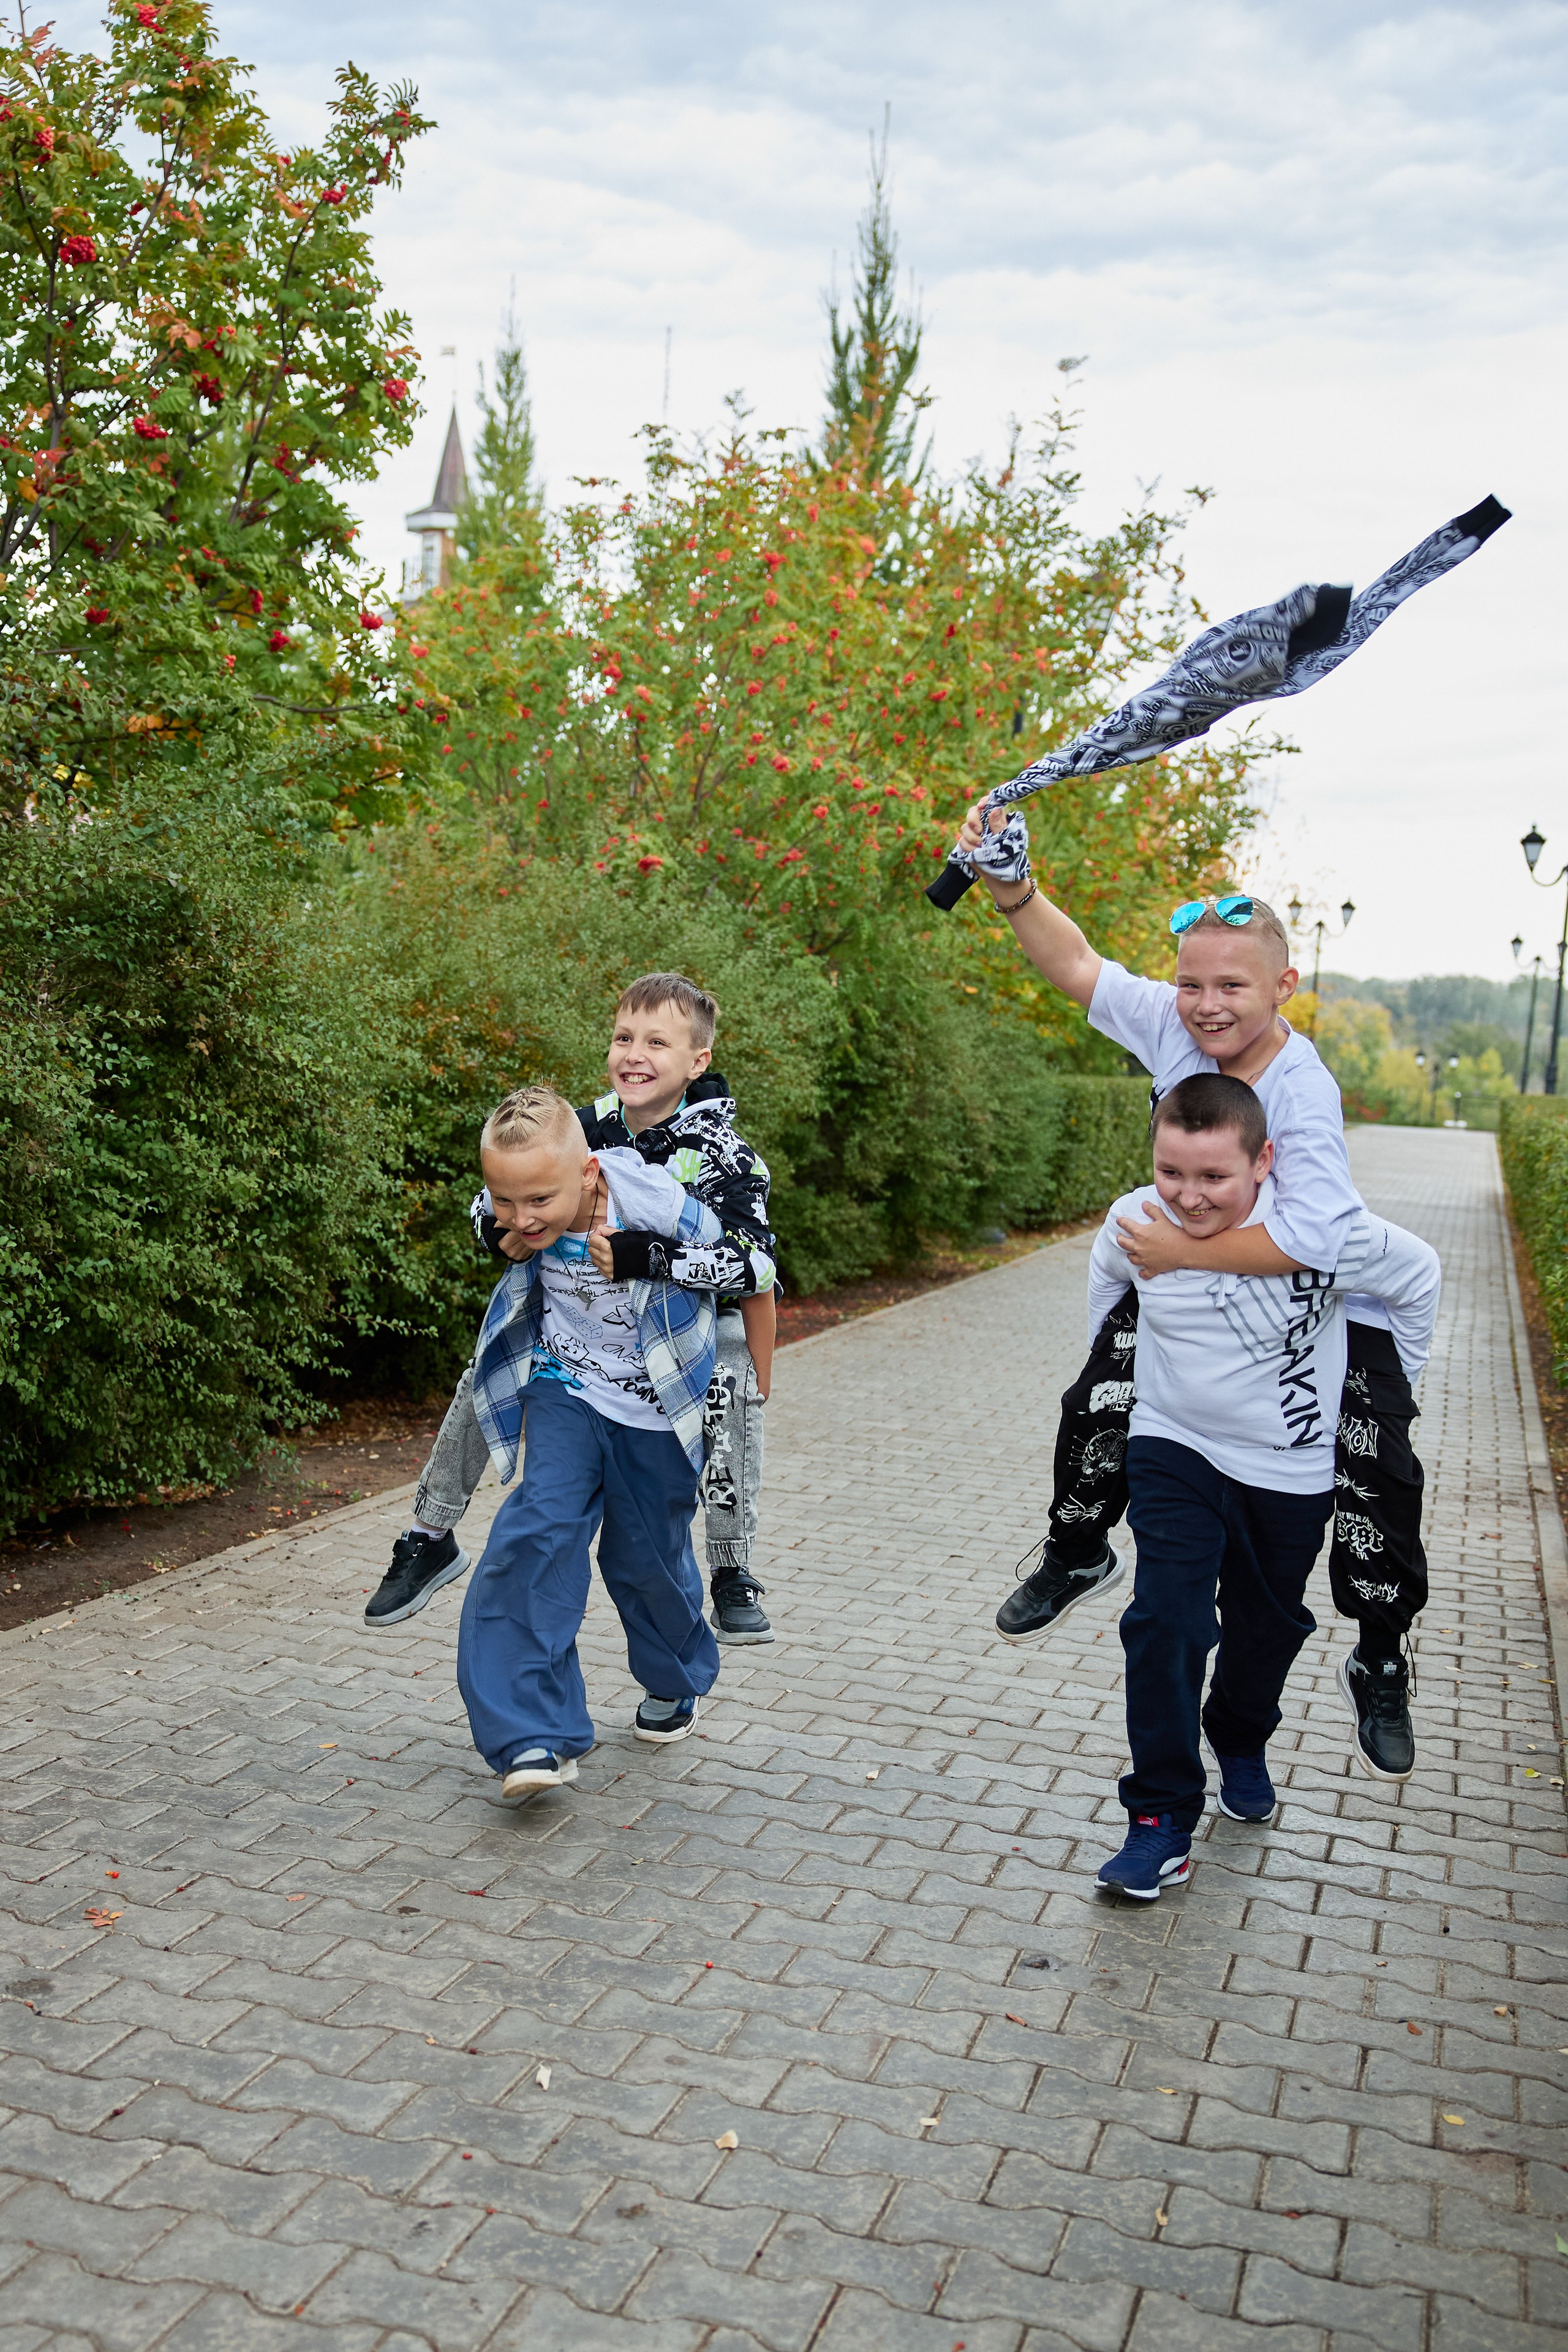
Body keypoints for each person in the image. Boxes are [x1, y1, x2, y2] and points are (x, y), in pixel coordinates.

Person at [958, 801, 1428, 1783]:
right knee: (1098, 1390)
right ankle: (1080, 1545)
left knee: (1380, 1482)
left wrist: (1178, 1250)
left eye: (1232, 987)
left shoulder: (1302, 1093)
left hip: (1347, 1298)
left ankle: (1380, 1651)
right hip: (1201, 1281)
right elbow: (1080, 968)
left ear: (1284, 985)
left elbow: (1319, 1239)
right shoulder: (1180, 1026)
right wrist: (1013, 889)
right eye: (1191, 985)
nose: (1207, 1005)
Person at [1085, 1074, 1440, 1899]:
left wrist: (1387, 1401)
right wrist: (1107, 1406)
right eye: (1173, 1172)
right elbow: (1107, 1307)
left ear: (1265, 1162)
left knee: (1267, 1626)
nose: (1190, 1195)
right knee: (1164, 1619)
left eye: (1214, 1177)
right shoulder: (1136, 1221)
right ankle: (1159, 1816)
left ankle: (1240, 1737)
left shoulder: (1318, 1230)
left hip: (1292, 1467)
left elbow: (1418, 1276)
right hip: (1175, 1446)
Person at [364, 973, 778, 1646]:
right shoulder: (580, 1128)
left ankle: (731, 1567)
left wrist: (655, 1257)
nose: (633, 1054)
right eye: (623, 1037)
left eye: (656, 1042)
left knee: (733, 1390)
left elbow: (756, 1265)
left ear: (697, 1060)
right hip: (577, 1328)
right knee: (493, 1362)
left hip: (684, 1334)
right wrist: (501, 1234)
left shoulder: (724, 1158)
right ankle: (429, 1533)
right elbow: (490, 1199)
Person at [452, 1085, 726, 1798]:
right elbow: (481, 1217)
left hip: (656, 1410)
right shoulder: (513, 1198)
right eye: (506, 1200)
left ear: (586, 1172)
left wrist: (652, 1258)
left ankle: (671, 1677)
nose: (522, 1217)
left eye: (538, 1202)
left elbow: (739, 1257)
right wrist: (493, 1232)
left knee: (646, 1561)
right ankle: (532, 1736)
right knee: (534, 1533)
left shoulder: (650, 1195)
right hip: (564, 1391)